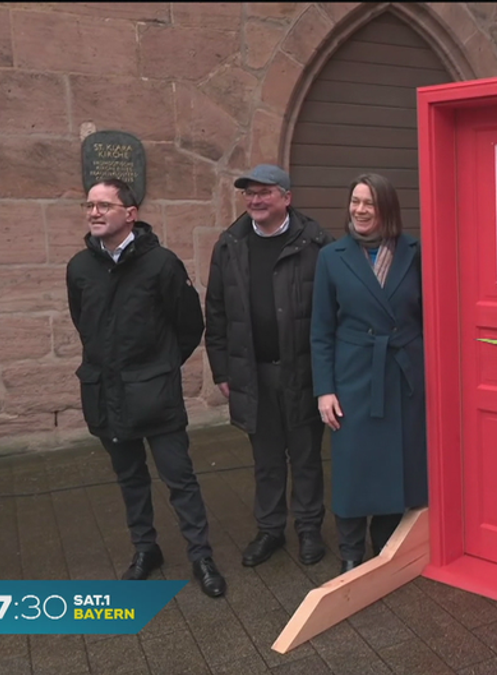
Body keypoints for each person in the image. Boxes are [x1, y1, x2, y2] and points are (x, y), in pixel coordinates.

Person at [66, 178, 226, 598]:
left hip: (155, 396)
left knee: (180, 478)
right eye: (90, 205)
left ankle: (201, 555)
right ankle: (145, 549)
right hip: (106, 394)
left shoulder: (161, 265)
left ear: (130, 214)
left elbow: (190, 324)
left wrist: (160, 367)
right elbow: (83, 322)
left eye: (105, 205)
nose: (94, 212)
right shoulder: (80, 268)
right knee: (130, 478)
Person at [204, 164, 334, 569]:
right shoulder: (230, 245)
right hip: (252, 372)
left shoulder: (316, 243)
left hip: (302, 370)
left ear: (286, 198)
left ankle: (309, 529)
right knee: (266, 459)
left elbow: (334, 312)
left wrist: (330, 376)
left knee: (306, 456)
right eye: (249, 194)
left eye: (264, 193)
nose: (255, 201)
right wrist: (223, 371)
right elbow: (217, 313)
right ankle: (270, 529)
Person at [311, 173, 427, 574]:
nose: (359, 210)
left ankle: (389, 545)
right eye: (355, 201)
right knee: (354, 464)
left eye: (369, 204)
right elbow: (321, 330)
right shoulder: (333, 256)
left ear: (387, 209)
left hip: (403, 374)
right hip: (354, 376)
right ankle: (350, 550)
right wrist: (324, 389)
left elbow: (431, 318)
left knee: (401, 461)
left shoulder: (416, 251)